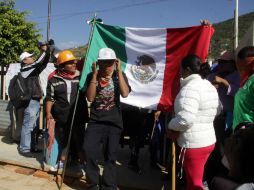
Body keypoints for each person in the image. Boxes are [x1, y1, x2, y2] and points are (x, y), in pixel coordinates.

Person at [167, 55, 220, 190]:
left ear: (187, 70)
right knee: (197, 180)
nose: (179, 71)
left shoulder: (189, 88)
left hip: (194, 144)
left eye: (181, 69)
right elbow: (218, 109)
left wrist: (171, 125)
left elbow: (185, 120)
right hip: (208, 141)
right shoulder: (207, 85)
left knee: (194, 184)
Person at [83, 48, 131, 190]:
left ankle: (108, 185)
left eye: (109, 63)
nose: (106, 66)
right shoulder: (92, 76)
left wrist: (119, 71)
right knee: (89, 150)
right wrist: (94, 75)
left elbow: (125, 93)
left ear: (115, 62)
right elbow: (90, 98)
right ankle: (93, 183)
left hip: (114, 123)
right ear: (98, 63)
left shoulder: (119, 76)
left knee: (111, 156)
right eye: (103, 63)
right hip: (95, 121)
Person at [45, 50, 87, 171]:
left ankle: (81, 163)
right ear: (62, 66)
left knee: (79, 140)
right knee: (64, 140)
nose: (74, 64)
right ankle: (62, 161)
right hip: (62, 116)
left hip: (78, 115)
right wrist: (48, 113)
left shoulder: (80, 77)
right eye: (70, 63)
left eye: (74, 62)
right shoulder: (54, 79)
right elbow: (50, 98)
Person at [18, 44, 51, 157]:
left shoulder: (31, 70)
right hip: (31, 101)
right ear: (25, 61)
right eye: (30, 57)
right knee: (28, 125)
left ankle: (32, 147)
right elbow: (38, 62)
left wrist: (48, 52)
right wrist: (43, 51)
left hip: (35, 101)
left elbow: (43, 63)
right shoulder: (26, 69)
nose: (32, 58)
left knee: (33, 126)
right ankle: (25, 149)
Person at [232, 46, 254, 131]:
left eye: (244, 66)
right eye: (238, 66)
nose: (240, 70)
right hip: (239, 135)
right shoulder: (246, 79)